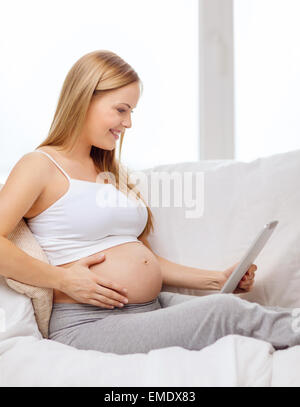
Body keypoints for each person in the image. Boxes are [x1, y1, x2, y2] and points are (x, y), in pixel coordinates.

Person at [0, 50, 298, 355]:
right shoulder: (40, 165)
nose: (127, 123)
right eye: (121, 109)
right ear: (85, 98)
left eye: (131, 112)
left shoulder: (108, 173)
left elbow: (146, 258)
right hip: (88, 322)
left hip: (148, 307)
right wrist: (62, 279)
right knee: (227, 313)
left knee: (239, 307)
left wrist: (216, 279)